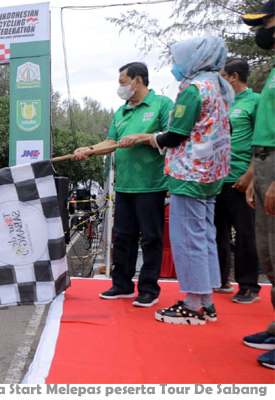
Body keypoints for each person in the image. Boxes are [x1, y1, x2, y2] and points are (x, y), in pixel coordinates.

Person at [121, 36, 234, 325]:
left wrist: (149, 137)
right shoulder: (220, 87)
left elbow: (175, 134)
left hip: (189, 175)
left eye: (178, 59)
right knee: (205, 237)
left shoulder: (193, 89)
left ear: (195, 59)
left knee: (188, 240)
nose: (176, 66)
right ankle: (206, 301)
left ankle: (193, 303)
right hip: (211, 174)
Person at [72, 62, 174, 307]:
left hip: (151, 185)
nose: (121, 87)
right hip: (124, 186)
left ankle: (149, 289)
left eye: (122, 82)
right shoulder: (121, 112)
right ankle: (122, 284)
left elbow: (171, 138)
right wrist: (89, 150)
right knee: (123, 237)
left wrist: (140, 137)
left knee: (150, 238)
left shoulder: (162, 104)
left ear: (137, 81)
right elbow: (110, 141)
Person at [241, 0, 275, 370]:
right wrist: (254, 172)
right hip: (265, 161)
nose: (263, 29)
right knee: (270, 255)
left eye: (267, 21)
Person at [214, 58, 262, 302]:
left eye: (221, 76)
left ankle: (248, 286)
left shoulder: (256, 102)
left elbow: (262, 141)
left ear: (233, 77)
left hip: (241, 179)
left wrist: (250, 174)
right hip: (216, 179)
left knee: (245, 234)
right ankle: (220, 280)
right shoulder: (221, 103)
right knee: (217, 233)